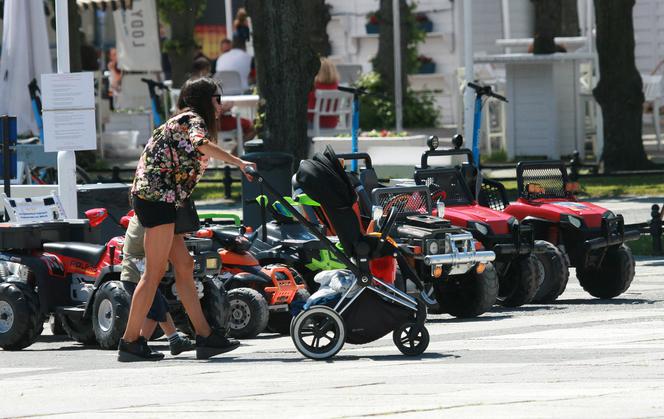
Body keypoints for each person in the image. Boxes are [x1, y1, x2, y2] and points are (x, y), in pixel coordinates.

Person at [118, 76, 256, 362]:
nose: (221, 105)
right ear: (207, 100)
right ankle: (130, 342)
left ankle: (206, 337)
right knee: (153, 273)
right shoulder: (194, 120)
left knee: (184, 265)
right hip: (158, 200)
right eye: (217, 99)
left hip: (160, 199)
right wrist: (240, 163)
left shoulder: (181, 119)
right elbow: (200, 144)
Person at [120, 215, 195, 357]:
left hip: (134, 276)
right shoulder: (148, 222)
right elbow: (159, 243)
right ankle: (139, 343)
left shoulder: (139, 220)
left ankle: (174, 340)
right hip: (136, 277)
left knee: (161, 306)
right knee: (157, 312)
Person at [307, 58, 341, 129]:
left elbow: (309, 110)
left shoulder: (314, 88)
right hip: (332, 125)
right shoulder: (337, 87)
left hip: (315, 125)